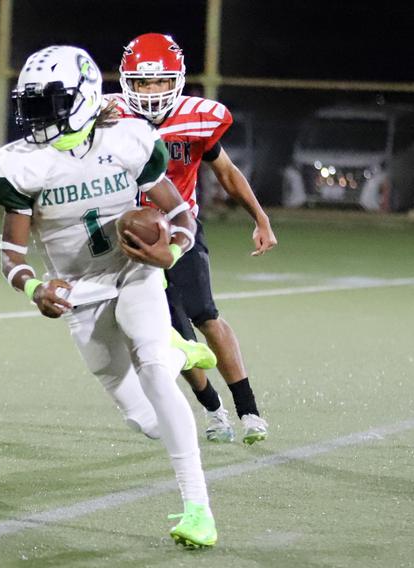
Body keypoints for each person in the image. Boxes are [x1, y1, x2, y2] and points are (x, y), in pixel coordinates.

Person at [0, 45, 217, 548]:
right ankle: (178, 349)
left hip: (134, 274)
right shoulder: (19, 166)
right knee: (144, 419)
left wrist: (170, 255)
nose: (40, 114)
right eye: (34, 103)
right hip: (79, 292)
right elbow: (12, 255)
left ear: (84, 97)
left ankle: (198, 508)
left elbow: (180, 216)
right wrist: (34, 287)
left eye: (53, 101)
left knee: (154, 372)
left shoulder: (128, 140)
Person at [113, 33, 277, 444]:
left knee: (206, 314)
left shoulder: (198, 118)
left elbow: (226, 173)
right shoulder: (108, 118)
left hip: (180, 233)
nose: (152, 92)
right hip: (129, 240)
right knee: (172, 334)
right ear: (126, 82)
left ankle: (248, 410)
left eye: (161, 82)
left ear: (179, 80)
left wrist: (260, 217)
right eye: (144, 83)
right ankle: (213, 410)